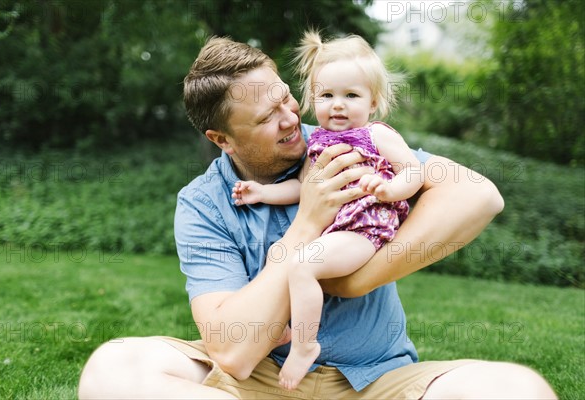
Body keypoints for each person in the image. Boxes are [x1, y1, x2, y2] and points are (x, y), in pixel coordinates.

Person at [78, 35, 557, 399]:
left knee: (516, 388)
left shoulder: (351, 143)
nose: (291, 118)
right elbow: (233, 353)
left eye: (287, 97)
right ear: (221, 139)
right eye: (266, 118)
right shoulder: (204, 204)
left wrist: (354, 280)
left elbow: (479, 197)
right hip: (262, 381)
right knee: (113, 368)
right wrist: (307, 221)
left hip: (375, 380)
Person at [230, 31, 425, 390]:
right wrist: (263, 192)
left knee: (303, 267)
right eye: (327, 95)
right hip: (337, 231)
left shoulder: (375, 135)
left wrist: (390, 188)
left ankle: (304, 345)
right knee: (279, 255)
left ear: (373, 102)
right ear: (312, 99)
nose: (338, 105)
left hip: (364, 230)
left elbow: (414, 169)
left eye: (351, 95)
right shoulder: (316, 141)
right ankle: (279, 329)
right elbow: (304, 191)